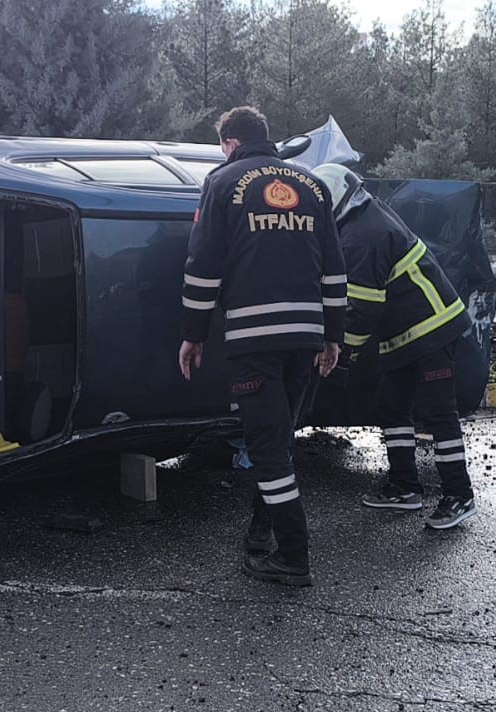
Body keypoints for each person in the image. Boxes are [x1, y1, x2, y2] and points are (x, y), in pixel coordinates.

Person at [179, 106, 347, 587]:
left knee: (267, 447)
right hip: (306, 337)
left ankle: (294, 557)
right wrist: (332, 333)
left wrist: (193, 333)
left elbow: (202, 266)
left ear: (229, 143)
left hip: (255, 339)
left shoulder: (222, 182)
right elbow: (334, 269)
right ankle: (260, 532)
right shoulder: (312, 185)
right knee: (279, 440)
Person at [313, 163, 477, 530]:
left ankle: (459, 494)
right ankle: (404, 487)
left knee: (438, 413)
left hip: (431, 329)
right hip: (406, 331)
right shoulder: (363, 215)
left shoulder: (360, 235)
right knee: (391, 404)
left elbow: (362, 308)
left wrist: (340, 356)